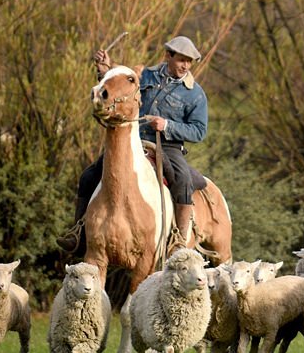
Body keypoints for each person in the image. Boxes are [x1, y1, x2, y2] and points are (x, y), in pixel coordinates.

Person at [56, 35, 209, 253]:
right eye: (181, 59)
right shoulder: (144, 75)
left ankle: (178, 241)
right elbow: (118, 84)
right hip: (132, 140)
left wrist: (167, 125)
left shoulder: (195, 94)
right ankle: (78, 233)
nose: (185, 65)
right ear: (168, 56)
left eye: (189, 61)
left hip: (168, 147)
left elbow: (199, 131)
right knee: (88, 176)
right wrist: (104, 69)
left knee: (183, 179)